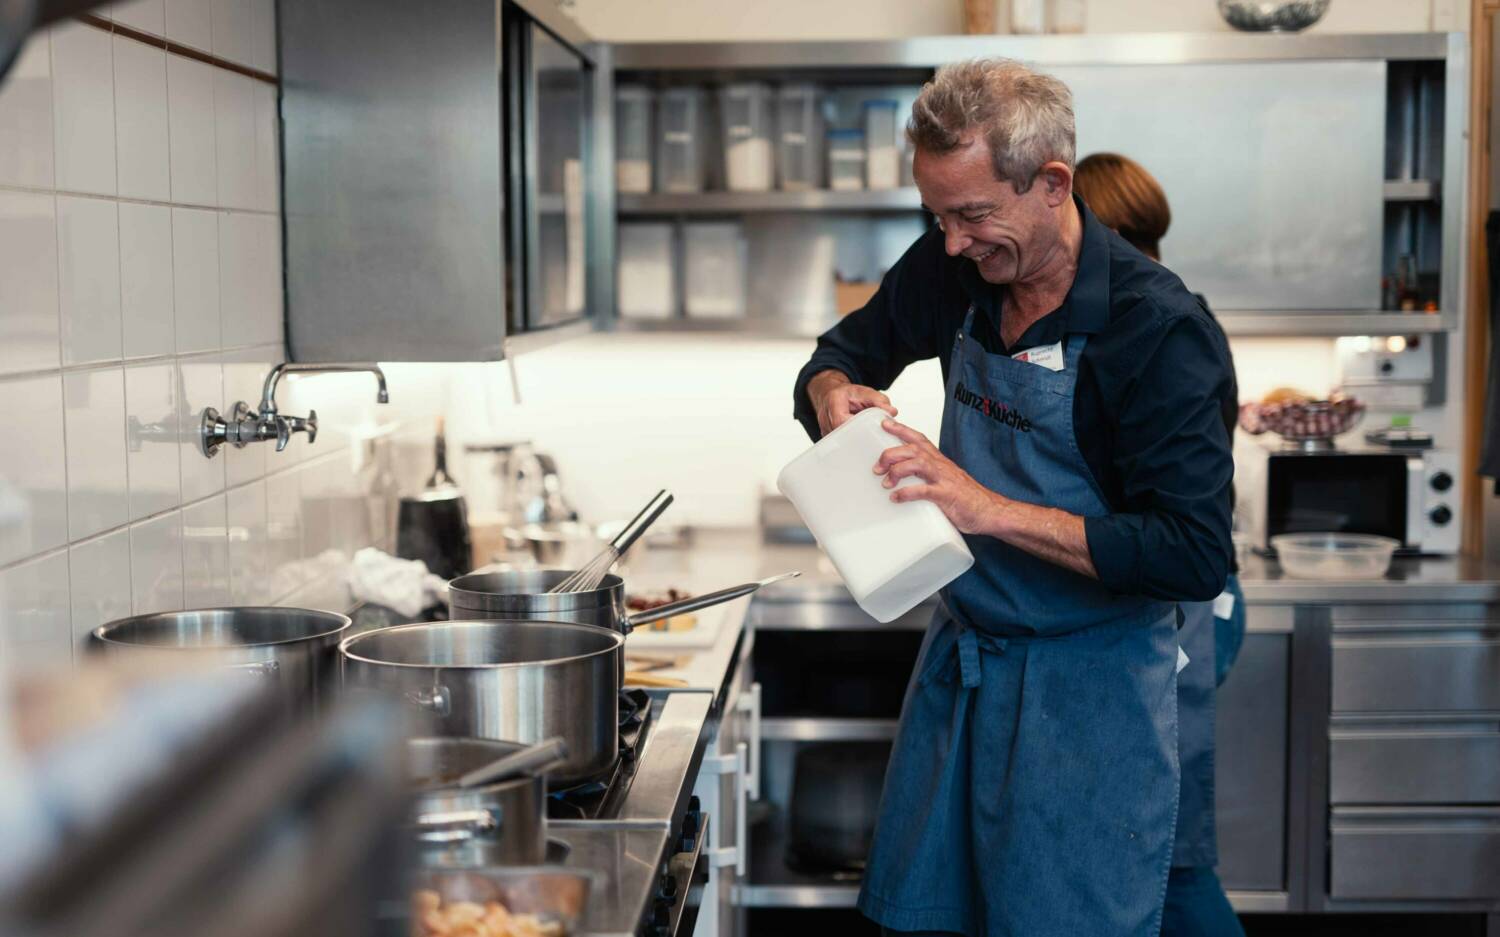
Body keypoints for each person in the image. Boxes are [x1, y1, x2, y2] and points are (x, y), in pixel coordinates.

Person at [792, 59, 1236, 936]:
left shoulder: (1159, 332)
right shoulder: (961, 268)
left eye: (972, 215)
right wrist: (832, 393)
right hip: (964, 674)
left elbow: (1191, 552)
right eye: (938, 216)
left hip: (1090, 700)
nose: (952, 242)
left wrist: (983, 504)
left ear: (1052, 183)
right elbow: (839, 351)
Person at [1074, 152, 1249, 937]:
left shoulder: (1167, 327)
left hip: (1187, 611)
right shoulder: (1163, 311)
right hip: (1180, 602)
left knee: (1170, 853)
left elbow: (1170, 517)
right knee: (1136, 841)